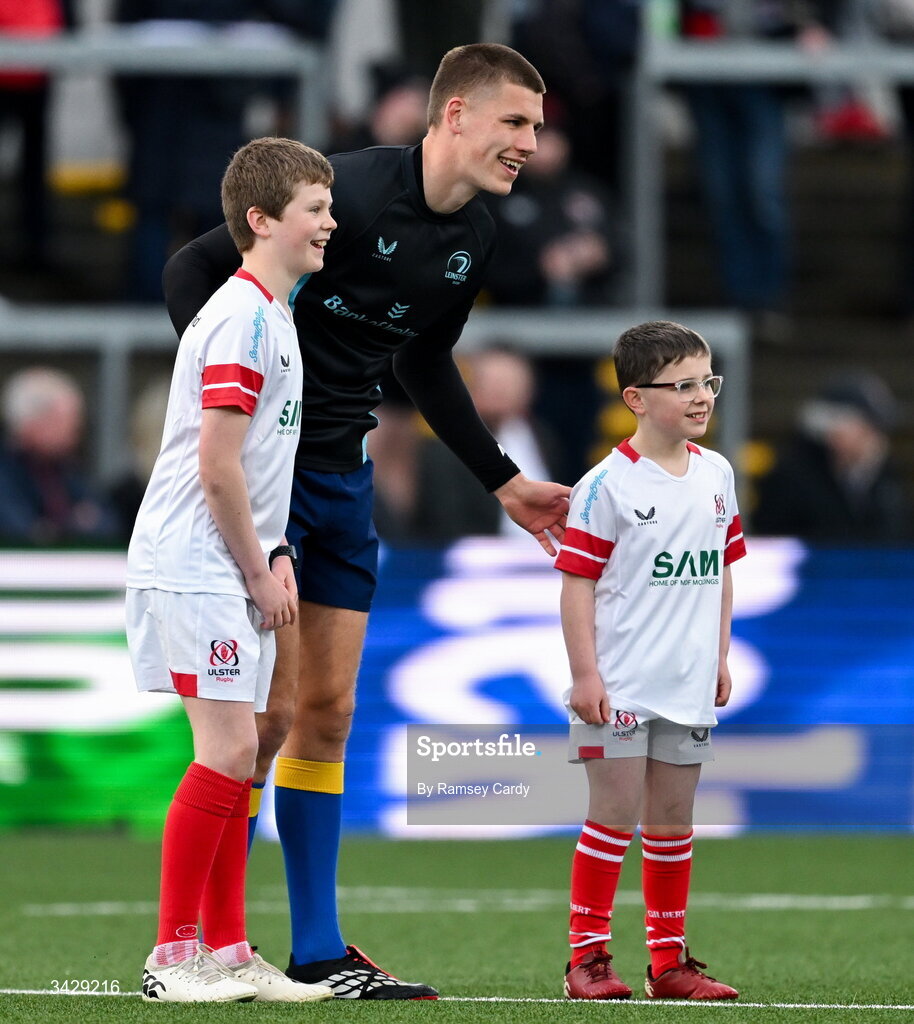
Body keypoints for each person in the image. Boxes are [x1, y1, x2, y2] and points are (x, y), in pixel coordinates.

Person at [163, 42, 570, 998]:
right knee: (256, 726)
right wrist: (230, 396)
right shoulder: (339, 191)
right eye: (514, 123)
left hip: (344, 480)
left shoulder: (477, 237)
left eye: (538, 130)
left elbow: (425, 361)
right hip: (271, 481)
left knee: (328, 714)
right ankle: (209, 945)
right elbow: (194, 269)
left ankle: (317, 949)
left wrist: (502, 481)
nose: (529, 145)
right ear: (454, 117)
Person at [126, 137, 337, 1004]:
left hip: (230, 561)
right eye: (315, 209)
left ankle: (231, 947)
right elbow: (216, 463)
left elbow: (250, 465)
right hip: (196, 564)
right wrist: (258, 568)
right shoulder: (242, 318)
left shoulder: (273, 314)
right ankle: (173, 959)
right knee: (229, 750)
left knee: (243, 752)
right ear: (261, 221)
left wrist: (275, 551)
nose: (331, 222)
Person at [555, 320, 745, 1001]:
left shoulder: (717, 473)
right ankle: (588, 959)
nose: (702, 397)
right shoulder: (605, 486)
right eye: (684, 385)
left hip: (687, 681)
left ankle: (669, 964)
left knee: (672, 821)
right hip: (623, 681)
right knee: (612, 815)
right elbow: (576, 583)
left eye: (708, 381)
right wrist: (585, 674)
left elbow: (722, 569)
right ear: (636, 398)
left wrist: (719, 654)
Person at [752, 371, 910, 542]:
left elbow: (892, 534)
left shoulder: (883, 478)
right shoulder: (793, 476)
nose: (874, 439)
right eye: (866, 427)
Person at [0, 367, 118, 546]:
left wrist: (54, 528)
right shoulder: (6, 472)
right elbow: (21, 534)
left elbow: (108, 524)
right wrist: (73, 523)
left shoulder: (65, 469)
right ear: (32, 421)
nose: (76, 429)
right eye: (64, 419)